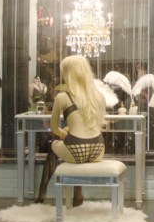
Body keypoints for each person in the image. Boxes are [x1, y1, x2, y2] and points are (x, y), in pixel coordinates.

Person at [36, 55, 106, 203]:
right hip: (98, 149)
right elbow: (96, 125)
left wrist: (64, 133)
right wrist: (70, 130)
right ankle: (78, 194)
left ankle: (42, 192)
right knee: (72, 143)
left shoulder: (63, 97)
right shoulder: (99, 96)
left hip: (77, 150)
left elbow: (54, 128)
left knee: (54, 145)